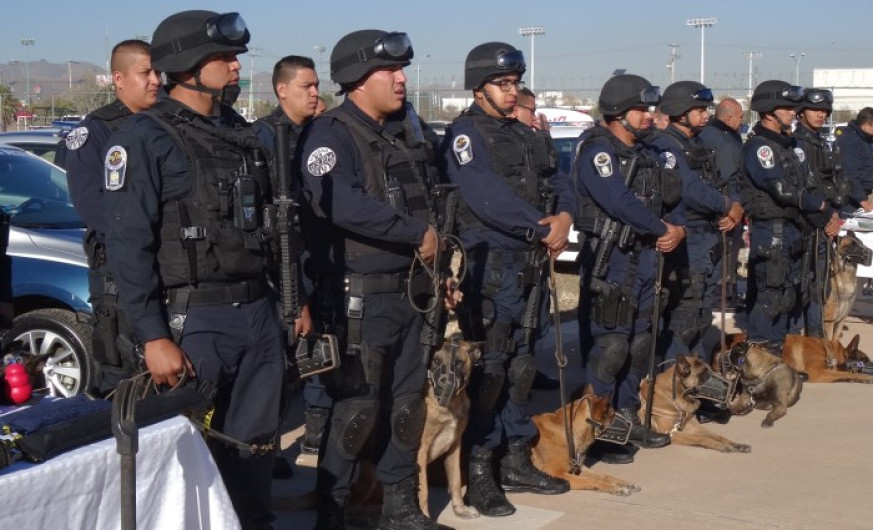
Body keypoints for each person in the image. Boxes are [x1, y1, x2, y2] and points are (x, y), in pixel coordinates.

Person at [103, 11, 285, 529]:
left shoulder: (240, 134)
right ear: (186, 64)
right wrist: (154, 336)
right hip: (195, 321)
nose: (236, 65)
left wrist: (292, 302)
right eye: (223, 57)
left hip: (257, 310)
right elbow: (128, 246)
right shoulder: (144, 136)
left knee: (253, 450)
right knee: (185, 457)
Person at [298, 30, 450, 530]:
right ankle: (333, 511)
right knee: (357, 412)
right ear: (358, 79)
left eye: (401, 69)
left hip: (414, 294)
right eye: (389, 71)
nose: (401, 79)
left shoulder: (404, 133)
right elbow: (341, 203)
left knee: (406, 408)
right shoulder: (331, 134)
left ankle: (399, 507)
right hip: (360, 299)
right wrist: (414, 233)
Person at [445, 41, 571, 518]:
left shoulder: (524, 133)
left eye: (515, 83)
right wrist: (541, 227)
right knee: (491, 371)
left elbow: (559, 181)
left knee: (522, 366)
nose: (512, 91)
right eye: (502, 84)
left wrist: (564, 218)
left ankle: (515, 458)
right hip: (491, 269)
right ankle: (480, 470)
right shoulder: (465, 135)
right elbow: (484, 197)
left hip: (530, 266)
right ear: (478, 88)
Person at [574, 74, 683, 464]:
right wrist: (661, 228)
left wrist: (678, 228)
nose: (648, 115)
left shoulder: (648, 152)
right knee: (612, 348)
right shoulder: (598, 152)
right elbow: (619, 201)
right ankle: (598, 428)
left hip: (647, 258)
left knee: (639, 345)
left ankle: (627, 416)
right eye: (640, 109)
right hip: (614, 261)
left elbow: (675, 195)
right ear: (619, 112)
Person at [61, 39, 160, 394]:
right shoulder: (96, 132)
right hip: (118, 276)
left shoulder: (164, 124)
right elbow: (96, 208)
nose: (156, 80)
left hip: (167, 269)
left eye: (158, 72)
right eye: (146, 73)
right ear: (119, 79)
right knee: (126, 381)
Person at [253, 55, 322, 461]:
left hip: (319, 262)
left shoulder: (320, 134)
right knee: (277, 369)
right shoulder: (264, 139)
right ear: (282, 90)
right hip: (283, 271)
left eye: (316, 85)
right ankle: (269, 449)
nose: (315, 93)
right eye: (306, 86)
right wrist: (296, 295)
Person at [739, 80, 839, 354]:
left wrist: (826, 215)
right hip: (772, 232)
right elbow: (780, 188)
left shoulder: (789, 146)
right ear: (769, 112)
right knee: (770, 298)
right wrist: (817, 205)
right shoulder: (760, 148)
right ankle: (760, 359)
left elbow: (808, 183)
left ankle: (777, 356)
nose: (794, 112)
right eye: (786, 107)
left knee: (787, 296)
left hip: (795, 230)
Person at [648, 81, 743, 365]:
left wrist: (734, 206)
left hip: (709, 236)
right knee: (685, 316)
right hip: (689, 238)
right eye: (699, 110)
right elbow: (688, 189)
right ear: (680, 112)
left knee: (702, 313)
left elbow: (723, 181)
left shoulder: (698, 143)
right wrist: (727, 205)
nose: (705, 115)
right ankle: (675, 377)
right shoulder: (666, 145)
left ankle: (698, 372)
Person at [511, 86, 561, 392]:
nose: (536, 117)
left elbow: (553, 177)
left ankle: (529, 369)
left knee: (537, 313)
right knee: (516, 318)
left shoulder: (534, 141)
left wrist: (545, 139)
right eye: (531, 110)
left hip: (540, 243)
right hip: (519, 242)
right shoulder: (507, 143)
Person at [792, 89, 847, 338]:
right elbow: (802, 191)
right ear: (801, 112)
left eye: (824, 111)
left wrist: (834, 216)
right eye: (815, 110)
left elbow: (833, 185)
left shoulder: (823, 143)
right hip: (805, 227)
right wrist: (826, 220)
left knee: (819, 288)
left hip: (825, 226)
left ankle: (815, 340)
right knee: (801, 288)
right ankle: (798, 341)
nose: (820, 115)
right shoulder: (797, 144)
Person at [698, 98, 746, 309]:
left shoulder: (705, 134)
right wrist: (735, 205)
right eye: (740, 117)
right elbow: (730, 177)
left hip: (710, 205)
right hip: (726, 207)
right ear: (729, 118)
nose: (742, 121)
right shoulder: (726, 141)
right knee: (727, 253)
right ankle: (724, 295)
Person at [836, 107, 873, 214]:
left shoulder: (866, 139)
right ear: (866, 124)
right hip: (849, 200)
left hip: (861, 194)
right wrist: (863, 201)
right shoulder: (849, 140)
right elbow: (849, 173)